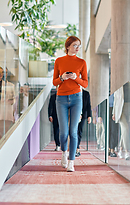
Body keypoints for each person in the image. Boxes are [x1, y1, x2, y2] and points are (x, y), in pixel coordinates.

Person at [53, 36, 88, 172]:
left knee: (73, 131)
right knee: (63, 132)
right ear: (68, 46)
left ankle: (71, 162)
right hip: (61, 98)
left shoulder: (82, 62)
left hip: (76, 98)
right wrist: (62, 77)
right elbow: (54, 82)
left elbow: (85, 83)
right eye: (74, 45)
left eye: (78, 45)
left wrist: (76, 78)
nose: (77, 48)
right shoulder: (59, 61)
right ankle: (64, 152)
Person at [112, 83, 130, 160]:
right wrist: (114, 112)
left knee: (125, 130)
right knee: (125, 128)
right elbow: (115, 99)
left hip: (129, 108)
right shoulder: (118, 86)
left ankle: (120, 149)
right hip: (120, 110)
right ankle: (126, 151)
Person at [76, 88, 91, 157]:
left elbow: (88, 105)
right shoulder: (74, 92)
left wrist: (89, 116)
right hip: (75, 114)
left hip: (83, 115)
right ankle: (75, 148)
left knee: (79, 131)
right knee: (74, 131)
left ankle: (77, 147)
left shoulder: (86, 94)